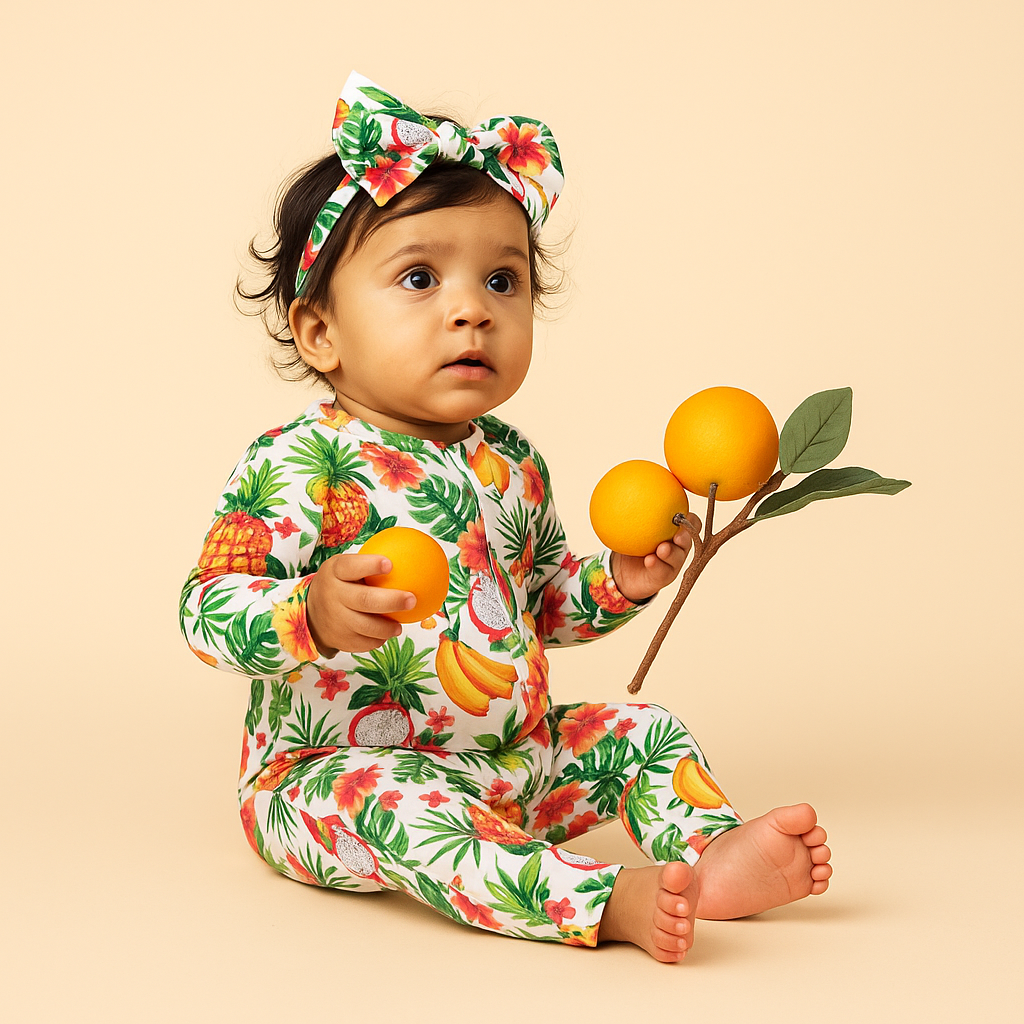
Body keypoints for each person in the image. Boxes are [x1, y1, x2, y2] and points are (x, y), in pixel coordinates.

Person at [179, 71, 832, 962]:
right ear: (320, 331)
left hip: (514, 765)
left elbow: (540, 607)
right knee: (406, 810)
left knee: (643, 730)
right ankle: (601, 899)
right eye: (419, 277)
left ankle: (710, 852)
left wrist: (620, 581)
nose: (471, 310)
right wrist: (311, 612)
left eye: (501, 279)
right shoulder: (299, 461)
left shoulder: (512, 461)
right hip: (332, 781)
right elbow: (206, 611)